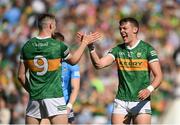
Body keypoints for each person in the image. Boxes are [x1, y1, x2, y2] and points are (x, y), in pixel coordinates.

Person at [17, 13, 101, 124]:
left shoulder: (27, 46)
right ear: (51, 26)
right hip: (55, 97)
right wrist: (84, 43)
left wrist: (33, 91)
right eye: (55, 25)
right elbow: (74, 60)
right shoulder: (58, 45)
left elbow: (20, 76)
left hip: (35, 99)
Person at [87, 17, 163, 124]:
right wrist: (91, 47)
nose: (121, 31)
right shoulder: (118, 50)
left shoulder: (147, 49)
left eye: (124, 28)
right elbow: (99, 64)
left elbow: (159, 76)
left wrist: (149, 89)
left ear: (135, 29)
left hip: (141, 102)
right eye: (120, 29)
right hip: (121, 101)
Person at [41, 32, 80, 124]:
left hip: (64, 105)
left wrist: (69, 106)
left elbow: (75, 88)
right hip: (47, 103)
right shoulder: (43, 63)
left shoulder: (72, 64)